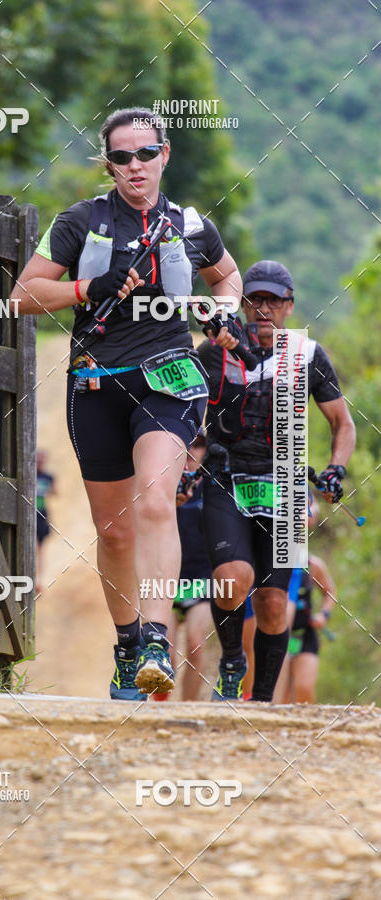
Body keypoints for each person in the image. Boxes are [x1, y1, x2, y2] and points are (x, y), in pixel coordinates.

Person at [10, 106, 241, 700]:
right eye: (121, 156)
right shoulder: (80, 221)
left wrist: (224, 309)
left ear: (165, 155)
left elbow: (227, 277)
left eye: (145, 153)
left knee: (157, 502)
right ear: (107, 163)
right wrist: (88, 288)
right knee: (113, 534)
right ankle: (127, 645)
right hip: (95, 382)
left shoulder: (190, 225)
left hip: (167, 377)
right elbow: (23, 295)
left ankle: (157, 639)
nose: (134, 166)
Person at [197, 259, 355, 702]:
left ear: (289, 305)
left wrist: (335, 468)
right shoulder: (215, 350)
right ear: (242, 303)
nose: (262, 308)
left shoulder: (307, 355)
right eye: (254, 298)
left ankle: (262, 703)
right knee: (232, 578)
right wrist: (184, 467)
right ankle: (231, 664)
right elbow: (182, 414)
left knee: (271, 605)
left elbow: (342, 422)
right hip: (226, 478)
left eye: (273, 300)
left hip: (284, 484)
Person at [152, 431, 214, 702]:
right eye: (186, 444)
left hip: (201, 577)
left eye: (199, 444)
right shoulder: (162, 484)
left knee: (196, 647)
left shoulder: (214, 487)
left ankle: (189, 710)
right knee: (164, 652)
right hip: (166, 578)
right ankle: (159, 712)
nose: (192, 451)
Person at [273, 494, 336, 704]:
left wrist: (324, 614)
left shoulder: (312, 564)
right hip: (277, 632)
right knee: (280, 696)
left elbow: (329, 592)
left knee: (304, 689)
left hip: (304, 634)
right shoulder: (270, 564)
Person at [36, 449, 56, 595]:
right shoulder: (30, 474)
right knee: (34, 547)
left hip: (42, 513)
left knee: (40, 549)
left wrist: (49, 490)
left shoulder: (48, 477)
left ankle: (38, 580)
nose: (40, 462)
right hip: (30, 513)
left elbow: (55, 492)